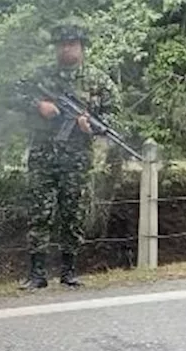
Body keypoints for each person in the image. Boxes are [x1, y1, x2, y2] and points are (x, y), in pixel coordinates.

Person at [17, 22, 118, 290]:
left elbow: (113, 116)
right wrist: (40, 105)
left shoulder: (99, 80)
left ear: (82, 47)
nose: (67, 49)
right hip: (43, 156)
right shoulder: (42, 76)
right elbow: (15, 93)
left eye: (72, 44)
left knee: (72, 213)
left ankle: (69, 271)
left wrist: (91, 127)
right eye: (62, 44)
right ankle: (37, 274)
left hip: (76, 159)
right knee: (40, 213)